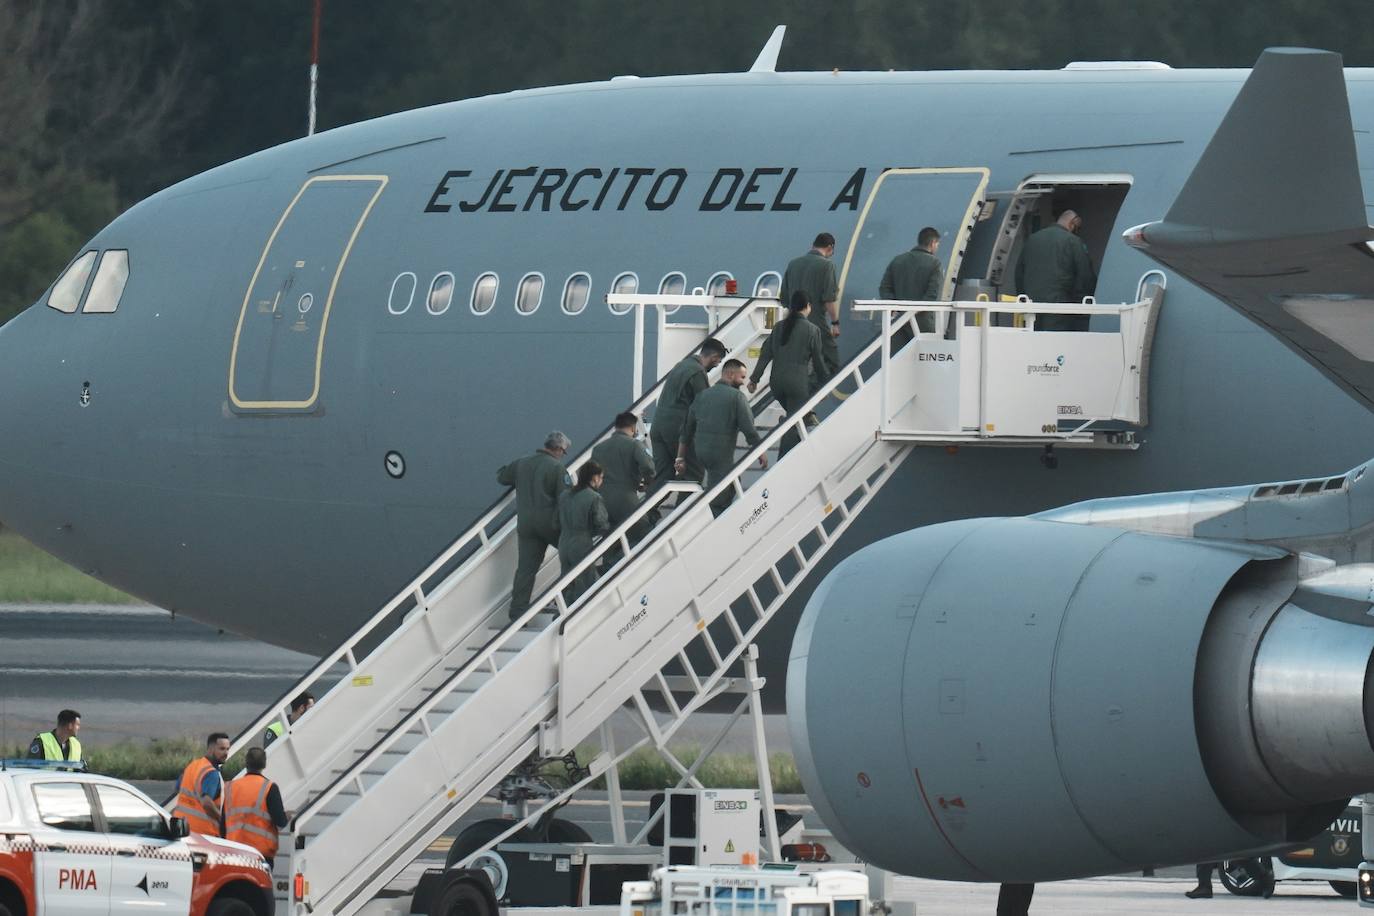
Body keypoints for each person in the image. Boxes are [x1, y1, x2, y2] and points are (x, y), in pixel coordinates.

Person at [497, 431, 572, 621]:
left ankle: (517, 613)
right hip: (550, 524)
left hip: (525, 524)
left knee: (526, 569)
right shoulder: (557, 469)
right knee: (573, 555)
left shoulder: (522, 463)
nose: (563, 456)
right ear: (558, 449)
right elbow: (566, 499)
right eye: (564, 452)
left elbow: (502, 477)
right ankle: (569, 599)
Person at [678, 359, 767, 515]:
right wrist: (760, 451)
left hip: (701, 452)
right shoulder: (736, 397)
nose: (743, 381)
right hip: (720, 452)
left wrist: (680, 458)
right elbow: (748, 428)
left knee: (732, 482)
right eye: (742, 377)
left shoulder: (702, 396)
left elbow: (686, 429)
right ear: (731, 374)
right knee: (720, 494)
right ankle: (713, 521)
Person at [748, 292, 829, 458]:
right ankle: (783, 460)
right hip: (797, 384)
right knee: (794, 423)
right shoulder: (812, 330)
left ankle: (802, 418)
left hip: (777, 384)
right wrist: (826, 382)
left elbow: (765, 354)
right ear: (807, 306)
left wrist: (754, 379)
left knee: (794, 417)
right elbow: (818, 362)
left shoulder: (779, 327)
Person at [650, 338, 726, 493]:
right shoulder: (697, 372)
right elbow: (704, 407)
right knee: (692, 475)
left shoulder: (681, 365)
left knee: (663, 477)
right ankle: (681, 514)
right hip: (677, 429)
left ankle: (645, 515)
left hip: (658, 426)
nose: (717, 365)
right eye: (718, 361)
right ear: (713, 357)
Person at [1014, 209, 1097, 331]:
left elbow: (1019, 273)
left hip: (1032, 307)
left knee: (1034, 344)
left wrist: (1024, 299)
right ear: (1072, 223)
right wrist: (1082, 302)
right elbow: (1085, 275)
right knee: (1057, 346)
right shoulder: (1073, 241)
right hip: (1060, 309)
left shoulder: (1032, 239)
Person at [780, 232, 841, 393]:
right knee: (831, 361)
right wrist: (835, 323)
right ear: (830, 248)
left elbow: (784, 298)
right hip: (816, 322)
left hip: (791, 323)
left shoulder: (793, 264)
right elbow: (829, 299)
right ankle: (808, 393)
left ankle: (801, 396)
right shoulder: (827, 266)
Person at [590, 412, 654, 542]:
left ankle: (610, 562)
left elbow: (591, 476)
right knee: (643, 533)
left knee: (611, 541)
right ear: (632, 427)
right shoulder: (634, 444)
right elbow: (648, 467)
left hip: (603, 502)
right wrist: (648, 483)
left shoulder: (598, 449)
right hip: (626, 499)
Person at [556, 461, 611, 604]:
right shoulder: (594, 497)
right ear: (594, 478)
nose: (601, 481)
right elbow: (602, 524)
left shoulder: (564, 495)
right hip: (581, 544)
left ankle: (562, 616)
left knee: (568, 584)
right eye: (601, 477)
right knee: (585, 584)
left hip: (563, 543)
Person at [879, 226, 944, 344]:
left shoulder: (897, 260)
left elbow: (885, 288)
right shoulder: (935, 264)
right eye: (938, 244)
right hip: (923, 325)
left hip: (898, 324)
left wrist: (894, 308)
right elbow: (931, 295)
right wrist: (912, 311)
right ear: (933, 243)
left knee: (897, 360)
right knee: (925, 360)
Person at [226, 747, 288, 868]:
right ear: (264, 764)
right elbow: (280, 821)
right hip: (260, 855)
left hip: (233, 852)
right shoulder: (270, 788)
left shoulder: (229, 787)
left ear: (246, 763)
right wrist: (287, 816)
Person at [174, 732, 231, 837]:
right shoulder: (212, 773)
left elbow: (178, 788)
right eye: (222, 749)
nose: (226, 753)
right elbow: (206, 802)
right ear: (210, 749)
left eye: (228, 749)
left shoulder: (193, 765)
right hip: (203, 833)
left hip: (182, 828)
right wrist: (223, 822)